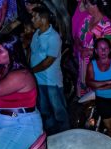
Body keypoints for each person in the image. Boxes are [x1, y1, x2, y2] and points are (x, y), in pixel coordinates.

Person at [30, 5, 69, 135]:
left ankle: (66, 137)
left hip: (51, 82)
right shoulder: (36, 33)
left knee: (59, 113)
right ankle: (52, 137)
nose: (32, 20)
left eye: (34, 17)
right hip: (39, 81)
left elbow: (48, 61)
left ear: (43, 19)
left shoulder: (54, 37)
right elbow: (32, 51)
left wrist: (31, 71)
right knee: (45, 112)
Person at [75, 0, 111, 97]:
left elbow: (107, 50)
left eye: (87, 4)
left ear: (95, 5)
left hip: (96, 68)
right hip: (83, 66)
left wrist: (89, 51)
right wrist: (81, 49)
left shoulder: (106, 25)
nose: (85, 6)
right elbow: (77, 37)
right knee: (84, 97)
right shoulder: (87, 19)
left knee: (95, 96)